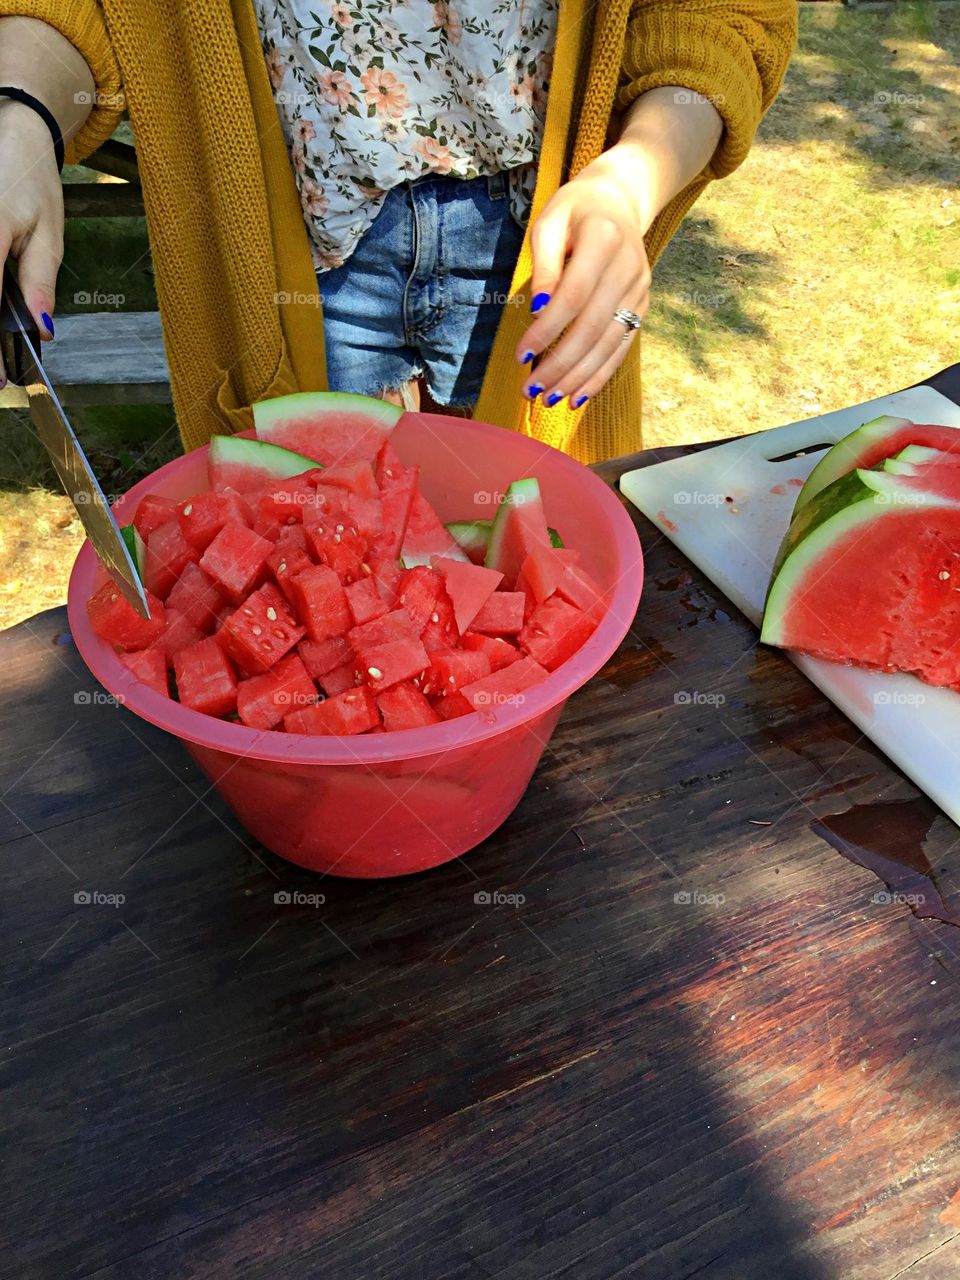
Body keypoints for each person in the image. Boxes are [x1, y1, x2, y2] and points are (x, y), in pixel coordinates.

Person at [0, 3, 796, 464]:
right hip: (303, 233)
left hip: (540, 235)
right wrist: (19, 114)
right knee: (306, 585)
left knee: (542, 585)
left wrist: (633, 179)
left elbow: (718, 15)